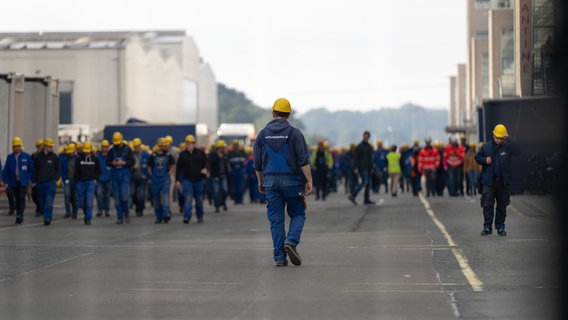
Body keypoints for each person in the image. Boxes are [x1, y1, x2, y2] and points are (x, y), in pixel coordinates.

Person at [253, 97, 313, 267]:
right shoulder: (295, 133)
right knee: (298, 213)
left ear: (273, 113)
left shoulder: (262, 134)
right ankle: (291, 241)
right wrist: (309, 180)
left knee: (276, 220)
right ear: (288, 114)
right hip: (292, 181)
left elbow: (257, 164)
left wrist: (261, 181)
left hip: (270, 181)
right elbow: (303, 161)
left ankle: (279, 257)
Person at [475, 124, 520, 236]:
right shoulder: (486, 147)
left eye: (501, 138)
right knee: (487, 205)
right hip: (489, 182)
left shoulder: (508, 147)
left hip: (503, 182)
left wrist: (509, 138)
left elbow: (518, 151)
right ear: (493, 135)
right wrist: (485, 160)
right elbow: (477, 158)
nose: (499, 140)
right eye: (498, 137)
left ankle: (500, 227)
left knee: (502, 205)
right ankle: (487, 227)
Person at [176, 134, 208, 224]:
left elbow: (206, 162)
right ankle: (187, 216)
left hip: (198, 179)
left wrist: (205, 168)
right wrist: (177, 180)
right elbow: (178, 168)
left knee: (199, 199)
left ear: (194, 144)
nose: (188, 145)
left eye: (190, 143)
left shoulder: (200, 153)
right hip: (187, 180)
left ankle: (200, 216)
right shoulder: (182, 155)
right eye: (187, 143)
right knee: (188, 198)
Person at [106, 131, 135, 224]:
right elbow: (107, 162)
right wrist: (113, 163)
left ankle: (126, 213)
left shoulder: (127, 149)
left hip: (124, 175)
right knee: (117, 197)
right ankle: (119, 217)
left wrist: (124, 163)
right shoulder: (111, 150)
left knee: (124, 196)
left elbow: (133, 162)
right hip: (115, 176)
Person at [2, 137, 33, 224]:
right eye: (14, 146)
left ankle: (20, 215)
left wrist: (29, 178)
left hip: (23, 181)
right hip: (13, 182)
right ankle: (18, 214)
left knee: (21, 197)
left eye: (17, 146)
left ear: (20, 147)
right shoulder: (10, 157)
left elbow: (31, 169)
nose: (16, 148)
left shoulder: (26, 156)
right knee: (17, 198)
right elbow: (6, 170)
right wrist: (5, 181)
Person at [32, 138, 60, 225]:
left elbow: (58, 169)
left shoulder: (54, 157)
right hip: (40, 183)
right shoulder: (38, 157)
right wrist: (34, 181)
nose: (51, 148)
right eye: (49, 146)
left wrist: (56, 178)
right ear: (45, 147)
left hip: (51, 183)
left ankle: (47, 218)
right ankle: (45, 215)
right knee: (42, 201)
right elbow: (34, 170)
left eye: (51, 146)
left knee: (49, 201)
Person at [147, 138, 176, 224]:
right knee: (156, 199)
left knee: (165, 197)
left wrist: (169, 173)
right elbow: (149, 166)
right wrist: (151, 175)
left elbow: (172, 165)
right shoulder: (153, 156)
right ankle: (158, 216)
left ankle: (166, 214)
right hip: (155, 179)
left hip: (165, 179)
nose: (164, 147)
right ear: (159, 146)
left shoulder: (168, 155)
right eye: (163, 146)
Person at [75, 141, 101, 225]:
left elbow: (98, 170)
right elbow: (76, 171)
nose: (86, 153)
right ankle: (86, 214)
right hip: (81, 182)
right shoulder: (79, 159)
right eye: (85, 151)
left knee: (89, 201)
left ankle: (88, 218)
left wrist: (95, 179)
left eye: (88, 151)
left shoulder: (95, 159)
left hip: (90, 182)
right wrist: (77, 181)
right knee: (82, 202)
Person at [348, 131, 375, 205]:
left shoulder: (369, 147)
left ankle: (366, 199)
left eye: (367, 136)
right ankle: (353, 195)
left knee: (368, 184)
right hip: (362, 168)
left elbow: (370, 158)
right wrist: (356, 167)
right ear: (363, 136)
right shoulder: (359, 147)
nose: (366, 137)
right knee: (364, 183)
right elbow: (356, 158)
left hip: (368, 167)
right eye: (365, 136)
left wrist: (372, 167)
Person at [208, 140, 230, 213]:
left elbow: (227, 164)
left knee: (225, 190)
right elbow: (210, 162)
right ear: (218, 147)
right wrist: (218, 157)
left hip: (223, 175)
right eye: (222, 147)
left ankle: (223, 202)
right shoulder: (212, 154)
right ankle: (217, 206)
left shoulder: (225, 155)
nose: (223, 148)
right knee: (216, 192)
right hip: (215, 176)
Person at [130, 138, 150, 217]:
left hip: (142, 178)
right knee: (132, 194)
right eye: (135, 146)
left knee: (141, 195)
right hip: (133, 177)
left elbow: (149, 166)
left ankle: (140, 210)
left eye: (138, 146)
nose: (136, 148)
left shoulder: (145, 154)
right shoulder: (131, 155)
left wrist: (147, 176)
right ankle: (138, 205)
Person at [60, 143, 79, 219]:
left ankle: (75, 213)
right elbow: (61, 169)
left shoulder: (78, 159)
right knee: (67, 196)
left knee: (75, 197)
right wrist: (63, 178)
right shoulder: (63, 160)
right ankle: (68, 212)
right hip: (67, 180)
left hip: (75, 181)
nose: (70, 153)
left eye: (71, 151)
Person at [95, 140, 112, 217]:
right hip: (100, 179)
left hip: (108, 179)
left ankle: (107, 210)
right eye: (103, 147)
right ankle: (100, 210)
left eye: (106, 147)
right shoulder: (97, 157)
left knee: (107, 196)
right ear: (101, 147)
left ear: (108, 148)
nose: (104, 148)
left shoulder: (110, 157)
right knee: (99, 194)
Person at [227, 139, 246, 205]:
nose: (236, 146)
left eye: (236, 145)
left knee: (241, 186)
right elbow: (228, 162)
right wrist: (229, 169)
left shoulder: (242, 152)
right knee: (235, 186)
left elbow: (245, 161)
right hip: (234, 171)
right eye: (234, 145)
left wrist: (244, 169)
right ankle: (236, 200)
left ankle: (240, 199)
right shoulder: (230, 153)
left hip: (241, 170)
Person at [31, 139, 44, 216]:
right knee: (34, 195)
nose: (41, 147)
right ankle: (39, 206)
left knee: (41, 195)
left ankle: (40, 209)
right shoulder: (34, 155)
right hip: (35, 178)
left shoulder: (45, 155)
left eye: (42, 146)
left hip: (42, 178)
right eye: (39, 146)